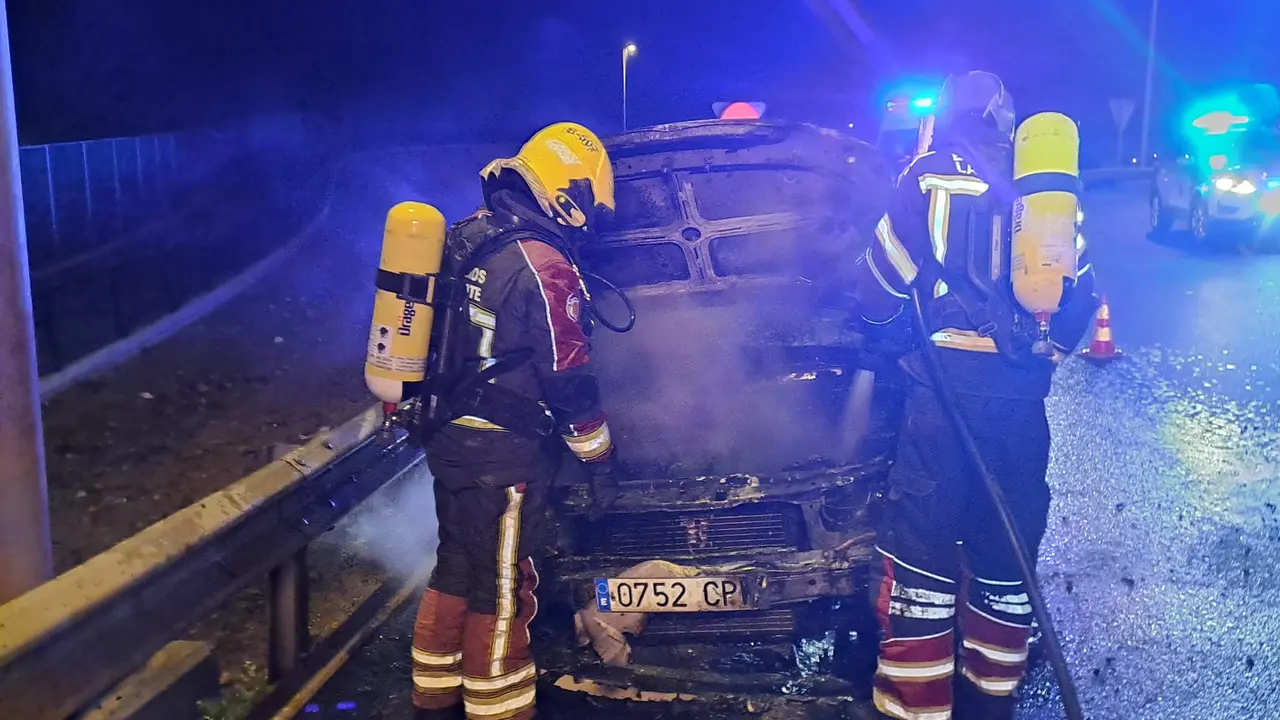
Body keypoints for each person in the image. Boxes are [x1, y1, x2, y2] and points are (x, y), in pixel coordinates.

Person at [847, 71, 1098, 720]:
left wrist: (883, 336)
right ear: (1005, 122)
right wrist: (1028, 364)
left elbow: (877, 285)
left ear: (948, 119)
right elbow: (1076, 313)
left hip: (941, 410)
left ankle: (916, 706)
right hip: (1021, 413)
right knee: (1006, 562)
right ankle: (991, 701)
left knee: (921, 563)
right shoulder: (1045, 194)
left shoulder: (928, 175)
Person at [409, 122, 623, 720]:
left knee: (454, 566)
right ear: (566, 191)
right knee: (503, 589)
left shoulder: (463, 235)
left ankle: (434, 700)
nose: (589, 218)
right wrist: (600, 458)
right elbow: (568, 376)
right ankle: (499, 710)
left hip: (448, 438)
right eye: (588, 203)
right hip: (501, 457)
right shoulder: (543, 261)